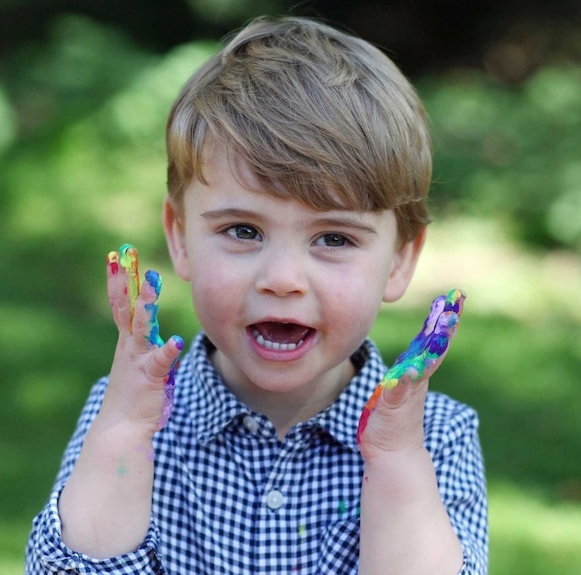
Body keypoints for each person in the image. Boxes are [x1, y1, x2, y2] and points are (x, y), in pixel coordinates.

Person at [25, 15, 488, 574]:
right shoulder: (128, 412)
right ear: (181, 237)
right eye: (243, 231)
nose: (283, 278)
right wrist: (124, 432)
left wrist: (394, 461)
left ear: (400, 260)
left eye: (334, 238)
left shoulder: (437, 437)